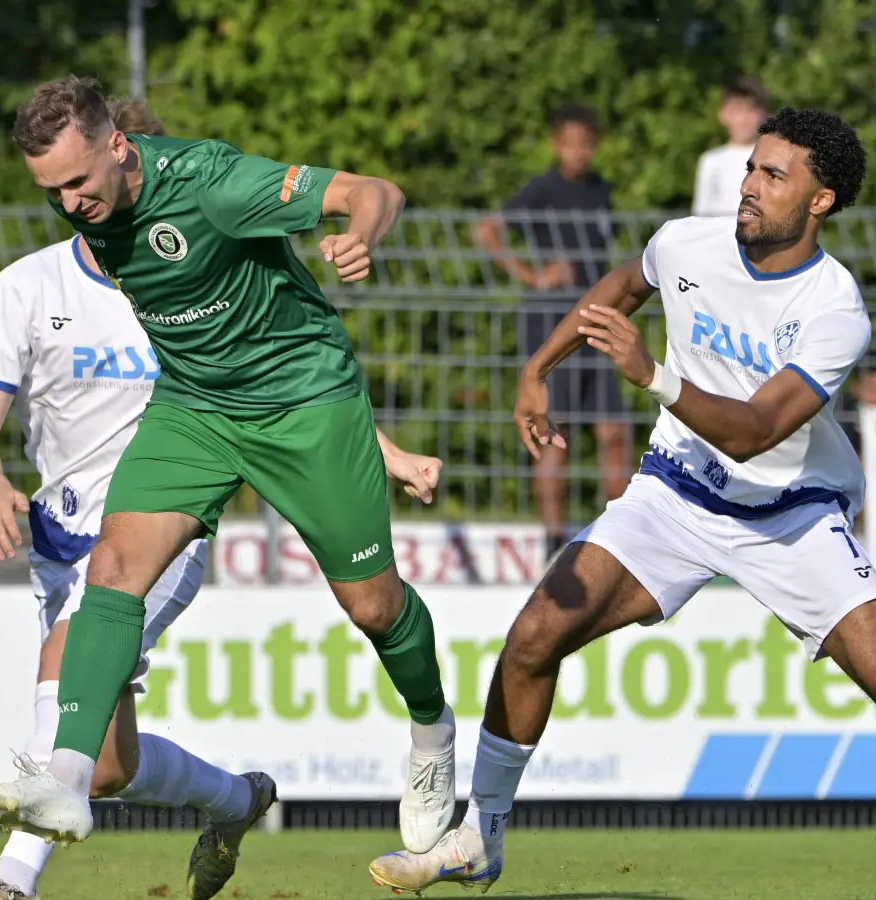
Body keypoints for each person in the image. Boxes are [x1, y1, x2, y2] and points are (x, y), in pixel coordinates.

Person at [0, 75, 459, 880]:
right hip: (195, 406)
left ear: (118, 147)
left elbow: (373, 189)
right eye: (50, 192)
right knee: (112, 570)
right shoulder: (79, 221)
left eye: (79, 183)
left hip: (303, 402)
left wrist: (360, 235)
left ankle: (434, 732)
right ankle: (62, 787)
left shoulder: (214, 184)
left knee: (372, 605)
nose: (69, 204)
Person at [368, 107, 870, 894]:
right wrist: (540, 366)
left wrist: (654, 376)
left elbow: (755, 431)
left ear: (821, 201)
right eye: (751, 167)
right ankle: (478, 837)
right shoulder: (686, 241)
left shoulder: (835, 308)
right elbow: (624, 287)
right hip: (675, 493)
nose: (751, 185)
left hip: (789, 514)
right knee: (534, 635)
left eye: (775, 175)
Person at [475, 105, 629, 560]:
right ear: (555, 145)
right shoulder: (541, 190)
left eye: (586, 143)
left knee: (613, 430)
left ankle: (619, 538)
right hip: (553, 323)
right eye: (570, 142)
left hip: (599, 320)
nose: (578, 151)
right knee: (553, 432)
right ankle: (552, 539)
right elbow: (486, 231)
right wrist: (531, 276)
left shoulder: (601, 190)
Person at [693, 76, 770, 218]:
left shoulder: (772, 158)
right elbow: (700, 212)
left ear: (763, 113)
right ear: (723, 114)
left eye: (751, 111)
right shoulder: (710, 161)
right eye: (736, 111)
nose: (743, 120)